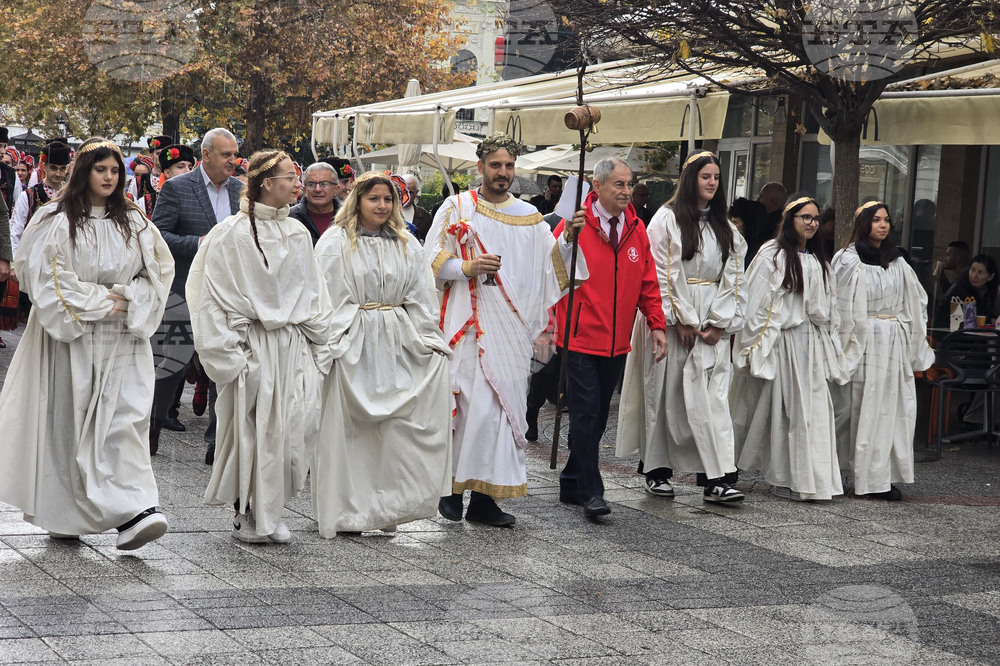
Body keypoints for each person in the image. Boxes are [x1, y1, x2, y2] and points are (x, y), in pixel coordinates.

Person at [0, 137, 175, 548]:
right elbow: (47, 280)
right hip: (73, 341)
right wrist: (106, 302)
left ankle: (135, 510)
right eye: (101, 170)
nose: (110, 177)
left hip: (123, 341)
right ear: (84, 172)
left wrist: (131, 301)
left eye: (116, 170)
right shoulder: (56, 219)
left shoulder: (135, 222)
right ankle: (64, 510)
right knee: (71, 424)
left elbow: (157, 276)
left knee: (124, 421)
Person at [426, 132, 585, 527]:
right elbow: (429, 259)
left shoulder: (529, 218)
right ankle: (450, 489)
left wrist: (567, 238)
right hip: (469, 325)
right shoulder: (457, 206)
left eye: (509, 166)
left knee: (500, 412)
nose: (503, 172)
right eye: (495, 165)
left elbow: (552, 268)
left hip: (511, 332)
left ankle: (486, 498)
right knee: (467, 407)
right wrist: (467, 267)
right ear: (480, 167)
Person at [188, 149, 334, 544]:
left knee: (294, 432)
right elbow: (208, 295)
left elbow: (314, 292)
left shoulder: (299, 232)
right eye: (290, 176)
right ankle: (250, 513)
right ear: (267, 183)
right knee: (252, 433)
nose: (298, 183)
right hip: (251, 347)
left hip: (292, 346)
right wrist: (228, 355)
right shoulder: (230, 233)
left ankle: (273, 508)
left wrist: (320, 346)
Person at [312, 172, 451, 535]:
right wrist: (333, 344)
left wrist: (428, 338)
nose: (381, 205)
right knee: (353, 432)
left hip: (396, 340)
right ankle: (348, 512)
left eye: (387, 199)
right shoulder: (335, 242)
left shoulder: (407, 243)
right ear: (357, 200)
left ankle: (385, 508)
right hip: (353, 338)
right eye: (373, 198)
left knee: (391, 432)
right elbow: (324, 295)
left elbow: (422, 296)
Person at [617, 151, 748, 503]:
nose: (711, 182)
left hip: (710, 321)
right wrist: (681, 319)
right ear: (691, 179)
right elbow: (660, 270)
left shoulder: (725, 227)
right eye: (705, 176)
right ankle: (657, 470)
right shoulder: (667, 219)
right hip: (674, 322)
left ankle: (715, 478)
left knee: (713, 400)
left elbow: (735, 277)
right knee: (668, 394)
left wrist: (720, 323)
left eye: (717, 177)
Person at [552, 159, 667, 518]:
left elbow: (648, 280)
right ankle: (592, 491)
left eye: (629, 185)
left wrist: (657, 323)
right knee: (586, 415)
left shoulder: (637, 227)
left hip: (616, 340)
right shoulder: (575, 225)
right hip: (580, 335)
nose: (626, 191)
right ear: (597, 186)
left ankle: (571, 479)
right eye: (618, 184)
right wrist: (568, 239)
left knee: (599, 417)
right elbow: (553, 269)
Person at [731, 196, 848, 502]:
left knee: (812, 413)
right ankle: (785, 476)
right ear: (789, 219)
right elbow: (756, 298)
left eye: (815, 218)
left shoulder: (820, 259)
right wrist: (757, 343)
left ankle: (811, 478)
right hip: (783, 342)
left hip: (811, 344)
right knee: (788, 412)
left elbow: (828, 306)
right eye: (805, 217)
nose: (811, 223)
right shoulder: (773, 254)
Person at [831, 201, 935, 501]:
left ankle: (878, 478)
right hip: (862, 342)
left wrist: (904, 331)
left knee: (888, 410)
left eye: (887, 220)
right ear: (864, 223)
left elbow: (914, 301)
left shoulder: (898, 260)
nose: (883, 225)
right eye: (876, 220)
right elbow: (838, 304)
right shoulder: (848, 260)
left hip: (892, 342)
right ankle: (837, 470)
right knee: (853, 406)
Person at [151, 128, 243, 462]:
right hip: (182, 292)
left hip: (226, 295)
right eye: (226, 155)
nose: (233, 161)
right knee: (169, 366)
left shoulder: (241, 190)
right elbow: (158, 235)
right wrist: (201, 243)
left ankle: (216, 443)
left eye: (235, 154)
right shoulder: (177, 188)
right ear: (205, 155)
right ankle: (153, 422)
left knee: (223, 365)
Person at [10, 142, 72, 257]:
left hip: (64, 259)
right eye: (54, 168)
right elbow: (16, 232)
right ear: (44, 166)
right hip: (34, 257)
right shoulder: (28, 196)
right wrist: (14, 263)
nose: (58, 173)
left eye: (62, 169)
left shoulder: (71, 196)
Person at [933, 253, 1000, 335]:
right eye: (972, 270)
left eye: (980, 272)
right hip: (949, 336)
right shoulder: (962, 288)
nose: (974, 276)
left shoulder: (988, 291)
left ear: (991, 276)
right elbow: (973, 318)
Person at [290, 161, 341, 245]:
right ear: (305, 190)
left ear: (336, 189)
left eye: (324, 184)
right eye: (311, 184)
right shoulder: (290, 217)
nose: (317, 189)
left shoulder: (349, 217)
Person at [745, 182, 787, 262]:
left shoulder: (767, 225)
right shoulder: (782, 222)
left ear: (772, 202)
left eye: (761, 197)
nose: (757, 200)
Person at [401, 174, 433, 241]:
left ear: (416, 192)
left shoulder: (425, 216)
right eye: (404, 191)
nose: (407, 196)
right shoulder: (388, 213)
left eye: (411, 192)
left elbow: (429, 241)